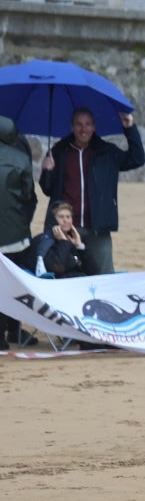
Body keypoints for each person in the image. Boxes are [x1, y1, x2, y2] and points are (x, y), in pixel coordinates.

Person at [38, 107, 145, 275]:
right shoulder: (58, 151)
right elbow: (47, 189)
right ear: (72, 127)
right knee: (63, 275)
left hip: (97, 228)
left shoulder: (107, 152)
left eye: (88, 124)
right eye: (79, 124)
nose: (83, 129)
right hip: (66, 227)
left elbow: (137, 158)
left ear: (94, 127)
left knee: (104, 276)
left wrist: (129, 128)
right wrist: (47, 171)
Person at [0, 115, 38, 350]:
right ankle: (14, 331)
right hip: (16, 237)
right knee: (14, 285)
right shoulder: (22, 159)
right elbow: (28, 196)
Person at [36, 202, 97, 278]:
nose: (65, 220)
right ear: (53, 220)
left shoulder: (72, 242)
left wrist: (80, 246)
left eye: (68, 217)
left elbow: (94, 272)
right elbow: (58, 268)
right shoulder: (44, 242)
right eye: (61, 217)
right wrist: (63, 242)